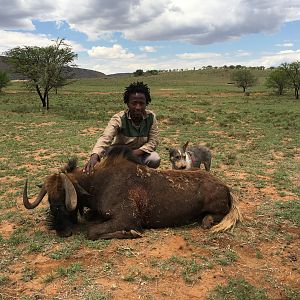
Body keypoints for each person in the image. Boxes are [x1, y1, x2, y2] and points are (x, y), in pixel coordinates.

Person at [84, 81, 160, 173]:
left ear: (146, 103)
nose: (138, 107)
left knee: (154, 158)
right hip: (119, 154)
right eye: (134, 103)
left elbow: (153, 142)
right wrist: (95, 156)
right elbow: (106, 138)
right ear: (127, 104)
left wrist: (135, 153)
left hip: (139, 153)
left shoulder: (151, 117)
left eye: (141, 103)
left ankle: (143, 177)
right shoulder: (119, 118)